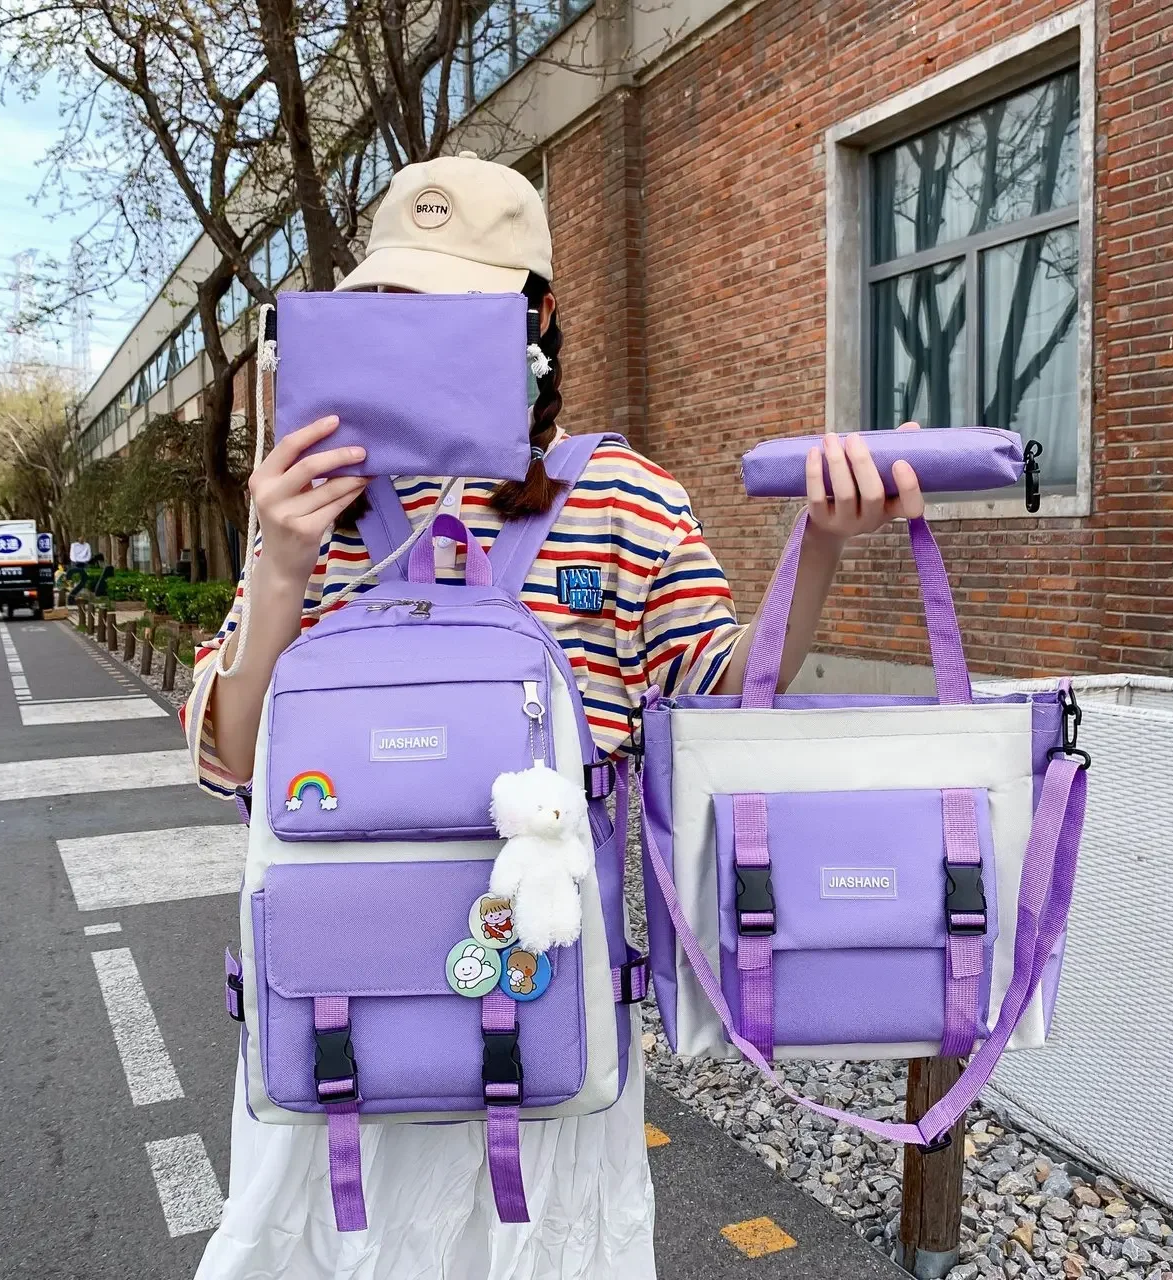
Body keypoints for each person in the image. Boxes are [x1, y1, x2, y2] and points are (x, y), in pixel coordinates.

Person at [182, 151, 925, 1280]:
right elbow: (236, 760)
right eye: (387, 307)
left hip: (539, 1041)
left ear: (531, 326)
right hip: (337, 1036)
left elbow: (722, 703)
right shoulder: (308, 506)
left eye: (449, 310)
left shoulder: (615, 496)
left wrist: (817, 548)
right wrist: (277, 562)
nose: (410, 336)